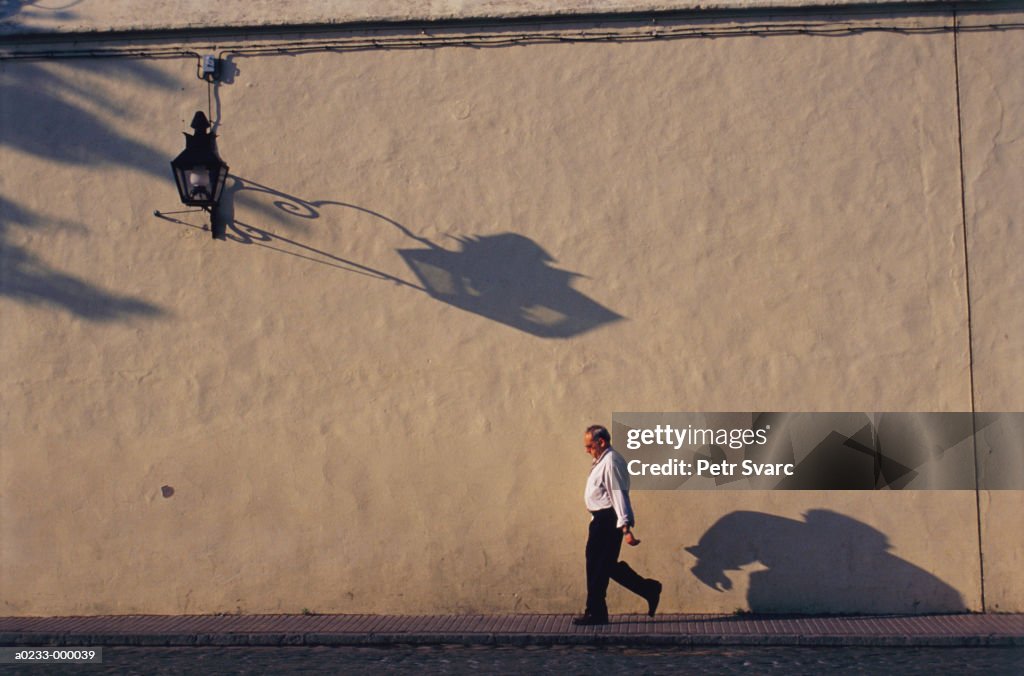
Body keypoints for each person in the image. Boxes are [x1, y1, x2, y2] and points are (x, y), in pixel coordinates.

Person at [574, 424, 662, 626]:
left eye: (589, 446)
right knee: (603, 566)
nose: (587, 450)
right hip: (600, 520)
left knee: (598, 567)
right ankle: (648, 589)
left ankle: (596, 612)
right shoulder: (602, 461)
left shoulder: (611, 462)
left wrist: (625, 527)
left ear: (601, 442)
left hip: (608, 521)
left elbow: (618, 494)